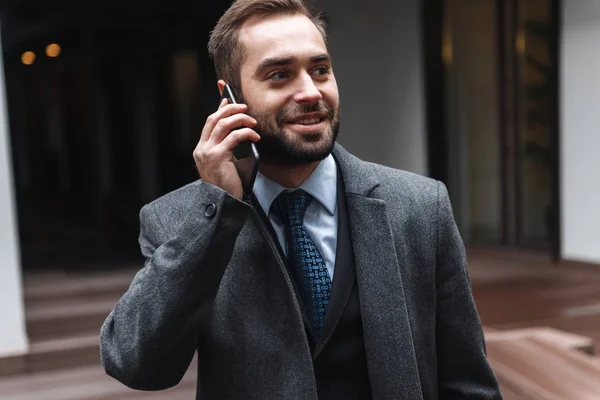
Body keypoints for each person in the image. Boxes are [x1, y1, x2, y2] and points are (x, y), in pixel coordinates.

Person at [100, 0, 502, 398]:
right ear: (231, 97)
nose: (310, 92)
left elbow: (468, 383)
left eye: (320, 70)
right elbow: (137, 364)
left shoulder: (419, 206)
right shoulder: (179, 221)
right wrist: (215, 212)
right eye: (280, 75)